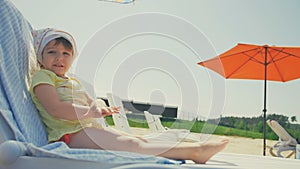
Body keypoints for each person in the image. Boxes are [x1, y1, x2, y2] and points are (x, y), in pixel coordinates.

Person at [29, 28, 228, 164]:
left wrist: (98, 105)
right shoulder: (43, 76)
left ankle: (192, 148)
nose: (59, 58)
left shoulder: (73, 81)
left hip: (85, 130)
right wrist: (88, 111)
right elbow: (55, 108)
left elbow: (92, 102)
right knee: (132, 145)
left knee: (133, 139)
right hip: (68, 137)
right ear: (41, 56)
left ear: (72, 57)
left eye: (66, 53)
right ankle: (196, 152)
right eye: (52, 52)